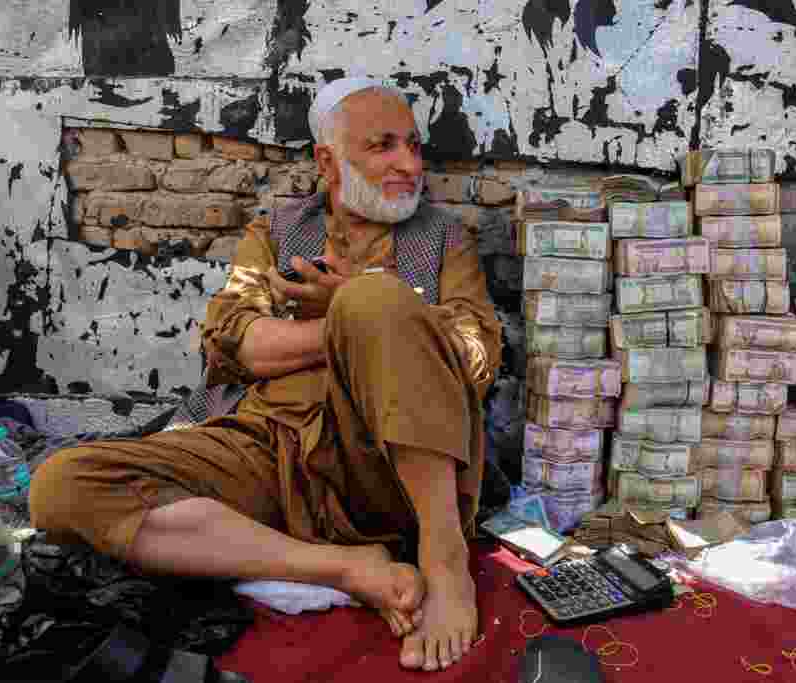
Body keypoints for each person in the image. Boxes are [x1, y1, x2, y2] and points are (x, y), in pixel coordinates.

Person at [29, 78, 503, 673]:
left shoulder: (442, 242)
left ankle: (443, 557)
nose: (408, 163)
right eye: (383, 146)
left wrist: (366, 313)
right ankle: (343, 566)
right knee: (62, 485)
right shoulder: (277, 234)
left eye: (413, 145)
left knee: (374, 301)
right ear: (329, 161)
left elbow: (474, 357)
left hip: (379, 464)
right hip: (264, 442)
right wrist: (342, 328)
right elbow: (233, 343)